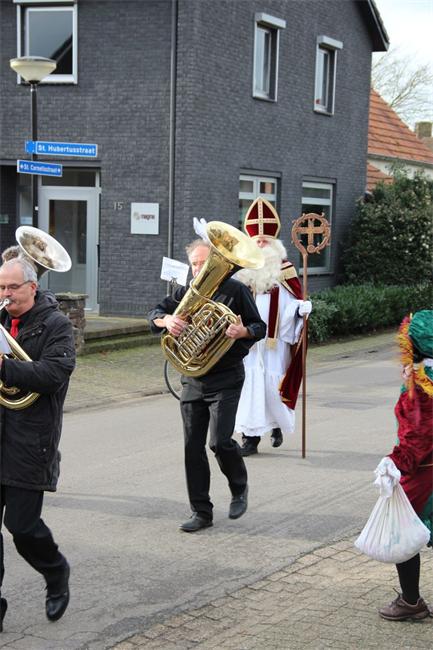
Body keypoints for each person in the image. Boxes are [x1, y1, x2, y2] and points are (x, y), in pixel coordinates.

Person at [149, 237, 266, 532]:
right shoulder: (184, 293)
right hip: (193, 378)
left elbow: (259, 327)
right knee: (192, 447)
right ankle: (201, 512)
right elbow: (154, 313)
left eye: (204, 263)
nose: (199, 269)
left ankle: (239, 488)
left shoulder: (235, 290)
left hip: (226, 378)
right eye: (195, 264)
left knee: (220, 442)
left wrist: (242, 331)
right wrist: (166, 321)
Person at [0, 257, 76, 631]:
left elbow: (54, 373)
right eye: (1, 287)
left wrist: (4, 367)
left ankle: (56, 571)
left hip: (31, 441)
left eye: (12, 287)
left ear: (32, 287)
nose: (5, 294)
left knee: (22, 527)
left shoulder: (56, 325)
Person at [235, 198, 311, 456]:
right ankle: (250, 438)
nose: (260, 245)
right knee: (249, 386)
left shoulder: (285, 270)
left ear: (273, 243)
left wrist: (299, 310)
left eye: (264, 241)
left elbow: (291, 303)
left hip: (274, 342)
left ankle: (276, 425)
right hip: (248, 341)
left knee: (271, 387)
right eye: (256, 241)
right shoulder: (242, 270)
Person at [375, 309, 433, 621]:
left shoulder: (422, 386)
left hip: (425, 473)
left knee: (403, 527)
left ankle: (411, 602)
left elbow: (418, 437)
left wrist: (394, 463)